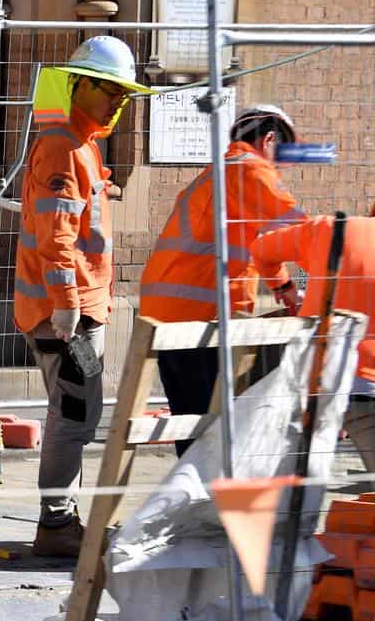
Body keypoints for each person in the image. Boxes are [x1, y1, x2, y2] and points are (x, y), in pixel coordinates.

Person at [12, 36, 154, 557]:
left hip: (75, 309)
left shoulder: (81, 147)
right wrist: (67, 303)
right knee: (72, 417)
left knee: (77, 415)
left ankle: (61, 520)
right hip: (62, 313)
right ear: (79, 85)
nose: (119, 100)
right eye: (110, 90)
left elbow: (71, 210)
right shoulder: (64, 147)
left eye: (123, 92)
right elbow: (56, 235)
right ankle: (55, 524)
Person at [140, 105, 307, 454]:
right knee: (208, 426)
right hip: (199, 312)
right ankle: (205, 501)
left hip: (174, 309)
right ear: (270, 139)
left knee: (195, 419)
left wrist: (283, 287)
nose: (281, 167)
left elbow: (260, 244)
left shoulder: (220, 173)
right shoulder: (250, 170)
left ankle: (201, 499)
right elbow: (300, 232)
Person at [251, 206, 375, 478]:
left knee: (288, 490)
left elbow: (260, 249)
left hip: (312, 378)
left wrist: (283, 288)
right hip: (367, 388)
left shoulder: (328, 229)